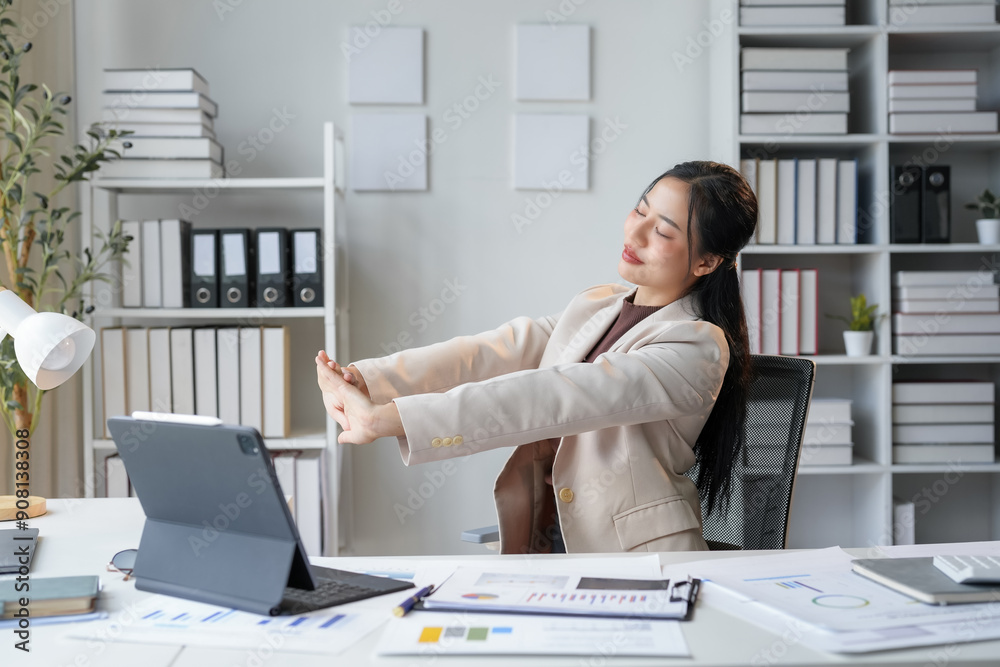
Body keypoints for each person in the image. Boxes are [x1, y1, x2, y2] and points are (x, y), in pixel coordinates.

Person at [316, 160, 757, 555]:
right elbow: (494, 351)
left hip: (639, 562)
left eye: (662, 231)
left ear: (706, 262)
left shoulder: (696, 347)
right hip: (547, 545)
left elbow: (550, 396)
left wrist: (388, 419)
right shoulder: (598, 305)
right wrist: (367, 380)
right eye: (640, 210)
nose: (635, 233)